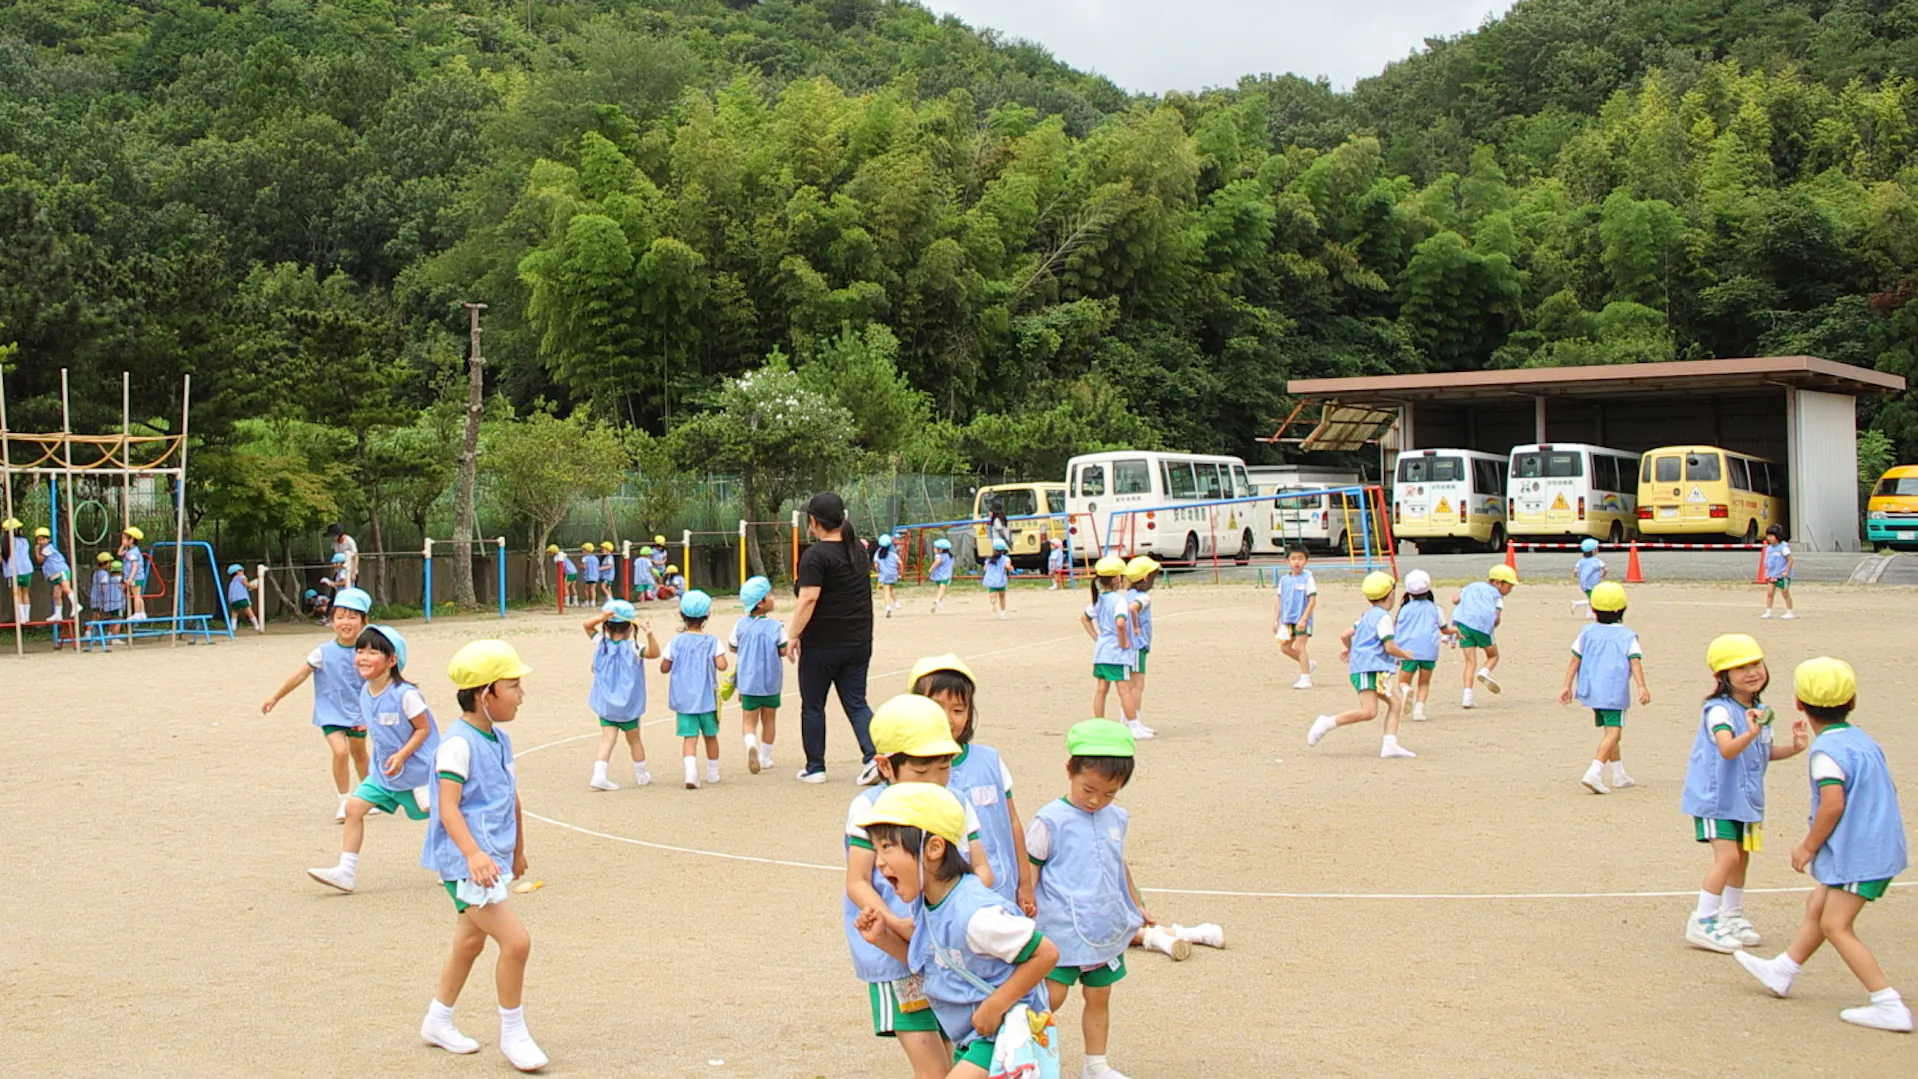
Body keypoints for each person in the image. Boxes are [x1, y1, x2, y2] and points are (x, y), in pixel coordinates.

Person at [1734, 657, 1911, 1032]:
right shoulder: (1862, 740)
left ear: (1799, 702)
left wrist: (1808, 847)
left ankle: (1887, 1002)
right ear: (1853, 701)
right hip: (1875, 846)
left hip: (1859, 854)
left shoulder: (1826, 752)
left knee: (1836, 924)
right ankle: (1783, 969)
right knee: (1818, 902)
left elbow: (1833, 804)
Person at [853, 782, 1058, 1079]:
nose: (879, 861)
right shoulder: (929, 902)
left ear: (934, 848)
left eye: (887, 846)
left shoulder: (974, 912)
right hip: (975, 1035)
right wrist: (883, 939)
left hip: (1005, 1034)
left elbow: (1046, 953)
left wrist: (995, 1005)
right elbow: (931, 961)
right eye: (875, 849)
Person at [844, 696, 997, 1079]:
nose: (935, 781)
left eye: (944, 767)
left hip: (949, 952)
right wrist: (898, 925)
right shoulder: (870, 808)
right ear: (885, 766)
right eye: (921, 770)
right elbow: (858, 882)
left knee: (957, 1055)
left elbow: (981, 868)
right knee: (932, 1069)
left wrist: (962, 909)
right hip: (895, 958)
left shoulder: (954, 801)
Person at [418, 639, 545, 1071]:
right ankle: (514, 1033)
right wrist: (472, 854)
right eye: (513, 686)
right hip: (467, 865)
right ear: (484, 694)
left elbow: (510, 797)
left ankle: (437, 1020)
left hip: (493, 859)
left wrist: (519, 849)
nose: (520, 694)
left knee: (470, 942)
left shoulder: (500, 738)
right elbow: (448, 806)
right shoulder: (457, 745)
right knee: (517, 942)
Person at [1028, 719, 1150, 1079]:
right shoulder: (1050, 820)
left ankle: (1096, 1065)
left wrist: (1136, 903)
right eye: (1089, 789)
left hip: (1103, 924)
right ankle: (1024, 1056)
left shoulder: (1117, 818)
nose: (1097, 800)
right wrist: (1023, 911)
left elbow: (1118, 864)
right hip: (1061, 928)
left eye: (1110, 794)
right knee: (1050, 998)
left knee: (1099, 996)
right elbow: (1031, 868)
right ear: (1070, 769)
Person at [1681, 634, 1808, 952]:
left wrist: (1793, 748)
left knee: (1742, 858)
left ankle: (1732, 913)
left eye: (1755, 664)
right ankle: (1704, 919)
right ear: (1722, 677)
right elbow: (1726, 748)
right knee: (1727, 857)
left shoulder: (1760, 710)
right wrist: (1749, 733)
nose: (1752, 672)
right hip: (1717, 799)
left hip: (1747, 800)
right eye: (1740, 668)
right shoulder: (1718, 711)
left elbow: (1763, 753)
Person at [307, 625, 438, 893]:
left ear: (392, 660)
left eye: (373, 652)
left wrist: (402, 755)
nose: (363, 657)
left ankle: (455, 861)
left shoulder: (406, 695)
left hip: (419, 773)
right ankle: (346, 872)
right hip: (385, 773)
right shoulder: (365, 691)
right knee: (353, 808)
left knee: (442, 814)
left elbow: (424, 729)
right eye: (360, 651)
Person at [910, 655, 1033, 912]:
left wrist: (1024, 883)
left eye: (958, 709)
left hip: (999, 892)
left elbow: (1012, 823)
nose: (948, 718)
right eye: (937, 707)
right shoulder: (910, 772)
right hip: (943, 899)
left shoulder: (990, 761)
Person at [789, 491, 879, 785]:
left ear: (813, 522)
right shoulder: (858, 550)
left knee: (813, 705)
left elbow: (808, 599)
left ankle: (815, 766)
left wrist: (793, 635)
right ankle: (873, 757)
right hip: (858, 640)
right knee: (856, 702)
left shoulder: (815, 556)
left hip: (822, 644)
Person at [262, 587, 375, 820]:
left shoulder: (369, 650)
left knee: (360, 754)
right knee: (340, 752)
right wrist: (275, 697)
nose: (346, 622)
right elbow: (300, 675)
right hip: (330, 711)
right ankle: (344, 801)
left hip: (358, 712)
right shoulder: (322, 652)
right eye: (340, 617)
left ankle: (370, 796)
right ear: (331, 620)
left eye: (353, 617)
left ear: (364, 621)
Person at [1308, 571, 1418, 759]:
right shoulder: (1383, 618)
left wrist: (1353, 651)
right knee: (1369, 711)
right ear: (1391, 595)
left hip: (1370, 667)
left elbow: (1345, 635)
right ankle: (1327, 722)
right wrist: (1405, 655)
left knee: (1394, 702)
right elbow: (1389, 646)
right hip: (1369, 669)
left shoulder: (1367, 615)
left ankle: (1390, 744)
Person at [1557, 582, 1650, 794]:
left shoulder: (1587, 632)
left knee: (1611, 731)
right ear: (1621, 609)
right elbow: (1635, 662)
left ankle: (1619, 774)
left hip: (1592, 690)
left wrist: (1567, 686)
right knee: (1614, 732)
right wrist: (1642, 687)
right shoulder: (1627, 636)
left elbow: (1574, 661)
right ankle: (1595, 770)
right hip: (1614, 692)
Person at [584, 600, 659, 791]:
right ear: (630, 628)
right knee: (634, 740)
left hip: (606, 705)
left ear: (606, 627)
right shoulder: (634, 648)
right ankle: (641, 775)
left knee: (607, 740)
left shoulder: (601, 643)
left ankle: (599, 775)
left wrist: (602, 616)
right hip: (628, 706)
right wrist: (650, 634)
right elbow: (654, 653)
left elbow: (587, 625)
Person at [661, 589, 727, 789]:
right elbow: (722, 665)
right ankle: (713, 772)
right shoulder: (712, 641)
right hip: (706, 698)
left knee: (689, 738)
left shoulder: (676, 641)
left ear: (682, 615)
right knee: (711, 736)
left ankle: (691, 773)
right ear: (707, 615)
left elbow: (664, 667)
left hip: (684, 699)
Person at [729, 576, 787, 774]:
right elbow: (783, 650)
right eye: (769, 594)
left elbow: (732, 646)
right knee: (769, 719)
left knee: (748, 720)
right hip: (771, 681)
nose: (772, 597)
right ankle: (765, 757)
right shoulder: (776, 627)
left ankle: (750, 745)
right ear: (761, 603)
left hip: (748, 681)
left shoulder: (740, 625)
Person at [1081, 557, 1143, 739]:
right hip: (1116, 652)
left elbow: (1084, 618)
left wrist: (1096, 637)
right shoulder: (1119, 600)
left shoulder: (1098, 599)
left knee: (1101, 689)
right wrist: (1123, 642)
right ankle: (1133, 725)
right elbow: (1121, 623)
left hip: (1102, 650)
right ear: (1117, 578)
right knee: (1124, 689)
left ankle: (1099, 724)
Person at [1449, 564, 1517, 708]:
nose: (1509, 591)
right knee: (1493, 656)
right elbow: (1497, 618)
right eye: (1509, 587)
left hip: (1464, 626)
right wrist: (1493, 625)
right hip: (1482, 628)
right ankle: (1485, 672)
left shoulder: (1472, 586)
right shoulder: (1497, 597)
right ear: (1498, 583)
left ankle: (1467, 697)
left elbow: (1455, 600)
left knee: (1470, 662)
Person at [1392, 569, 1446, 722]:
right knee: (1424, 682)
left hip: (1409, 651)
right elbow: (1444, 628)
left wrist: (1396, 653)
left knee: (1403, 681)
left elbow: (1398, 631)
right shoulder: (1435, 608)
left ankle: (1406, 689)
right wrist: (1455, 631)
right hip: (1429, 651)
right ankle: (1419, 711)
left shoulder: (1405, 609)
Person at [1124, 556, 1161, 740]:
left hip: (1128, 645)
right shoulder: (1142, 597)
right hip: (1138, 645)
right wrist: (1137, 626)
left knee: (1129, 685)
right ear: (1146, 578)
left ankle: (1129, 721)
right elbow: (1133, 609)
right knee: (1137, 686)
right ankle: (1134, 723)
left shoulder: (1128, 594)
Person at [1274, 546, 1318, 689]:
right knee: (1285, 647)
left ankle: (1305, 678)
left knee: (1300, 647)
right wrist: (1276, 620)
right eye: (1293, 559)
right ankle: (1308, 664)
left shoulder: (1308, 579)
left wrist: (1304, 619)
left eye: (1300, 558)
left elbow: (1312, 601)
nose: (1297, 562)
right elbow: (1279, 600)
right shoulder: (1284, 580)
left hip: (1302, 619)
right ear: (1287, 561)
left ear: (1306, 561)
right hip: (1288, 620)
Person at [31, 527, 77, 623]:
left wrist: (36, 551)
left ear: (48, 540)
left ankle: (75, 605)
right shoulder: (45, 549)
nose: (41, 542)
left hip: (61, 571)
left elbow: (40, 560)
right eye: (39, 540)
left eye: (43, 539)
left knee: (66, 588)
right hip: (55, 574)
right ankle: (58, 614)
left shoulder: (48, 549)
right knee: (56, 595)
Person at [1761, 523, 1795, 619]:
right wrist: (1766, 573)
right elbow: (1767, 562)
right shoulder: (1769, 549)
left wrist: (1786, 571)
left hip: (1782, 575)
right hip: (1772, 574)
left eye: (1772, 536)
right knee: (1770, 593)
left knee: (1785, 593)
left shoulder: (1783, 548)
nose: (1769, 538)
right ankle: (1768, 611)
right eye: (1768, 536)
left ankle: (1789, 611)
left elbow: (1790, 560)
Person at [3, 517, 30, 622]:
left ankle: (21, 618)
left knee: (16, 594)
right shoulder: (25, 541)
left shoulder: (5, 543)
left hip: (12, 572)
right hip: (26, 570)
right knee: (25, 593)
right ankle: (26, 617)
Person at [118, 525, 147, 621]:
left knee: (136, 596)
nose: (122, 540)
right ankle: (142, 612)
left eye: (124, 539)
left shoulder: (132, 553)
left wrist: (130, 577)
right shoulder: (131, 550)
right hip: (138, 576)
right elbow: (119, 553)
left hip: (135, 577)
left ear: (131, 540)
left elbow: (135, 566)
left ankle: (137, 613)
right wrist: (124, 544)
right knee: (138, 595)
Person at [1571, 537, 1605, 616]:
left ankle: (1589, 614)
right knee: (1594, 600)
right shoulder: (1596, 561)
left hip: (1585, 584)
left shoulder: (1581, 561)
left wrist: (1576, 577)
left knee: (1591, 598)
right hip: (1595, 584)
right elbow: (1605, 569)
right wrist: (1602, 575)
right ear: (1594, 551)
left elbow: (1575, 571)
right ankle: (1576, 604)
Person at [226, 562, 262, 632]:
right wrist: (253, 586)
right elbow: (246, 584)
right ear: (237, 572)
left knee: (235, 612)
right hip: (242, 597)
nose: (243, 572)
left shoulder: (232, 581)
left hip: (233, 599)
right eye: (241, 570)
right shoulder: (242, 577)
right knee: (249, 611)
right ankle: (256, 626)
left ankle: (233, 627)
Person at [980, 537, 1011, 619]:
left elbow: (985, 568)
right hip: (1001, 580)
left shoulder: (989, 559)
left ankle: (993, 600)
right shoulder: (1005, 558)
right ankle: (1003, 612)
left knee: (992, 595)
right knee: (1002, 597)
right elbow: (1008, 566)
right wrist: (1010, 568)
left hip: (991, 580)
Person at [875, 533, 902, 617]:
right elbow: (900, 562)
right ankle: (896, 603)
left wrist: (878, 571)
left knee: (886, 590)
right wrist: (900, 572)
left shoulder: (878, 554)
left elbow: (876, 565)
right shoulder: (893, 554)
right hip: (893, 574)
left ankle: (888, 607)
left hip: (884, 574)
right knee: (890, 588)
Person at [325, 523, 359, 588]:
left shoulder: (349, 541)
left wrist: (354, 572)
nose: (332, 538)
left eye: (333, 536)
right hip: (340, 570)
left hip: (350, 570)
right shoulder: (334, 543)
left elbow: (356, 556)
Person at [927, 538, 953, 614]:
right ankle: (938, 600)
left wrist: (931, 569)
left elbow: (937, 562)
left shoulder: (939, 556)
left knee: (941, 589)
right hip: (946, 575)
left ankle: (940, 604)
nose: (934, 549)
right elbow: (952, 565)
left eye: (935, 548)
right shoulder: (949, 556)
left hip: (938, 576)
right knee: (943, 589)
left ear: (940, 549)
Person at [88, 552, 115, 624]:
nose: (110, 564)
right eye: (109, 562)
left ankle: (90, 632)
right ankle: (88, 632)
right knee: (96, 617)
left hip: (94, 597)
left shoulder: (96, 573)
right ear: (105, 563)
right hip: (100, 599)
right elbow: (104, 588)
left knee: (95, 616)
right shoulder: (105, 574)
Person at [578, 543, 600, 610]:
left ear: (586, 550)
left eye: (583, 550)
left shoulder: (584, 558)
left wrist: (580, 566)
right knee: (593, 589)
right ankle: (593, 602)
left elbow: (584, 566)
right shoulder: (595, 558)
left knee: (586, 589)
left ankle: (587, 601)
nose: (582, 551)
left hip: (588, 576)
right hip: (595, 575)